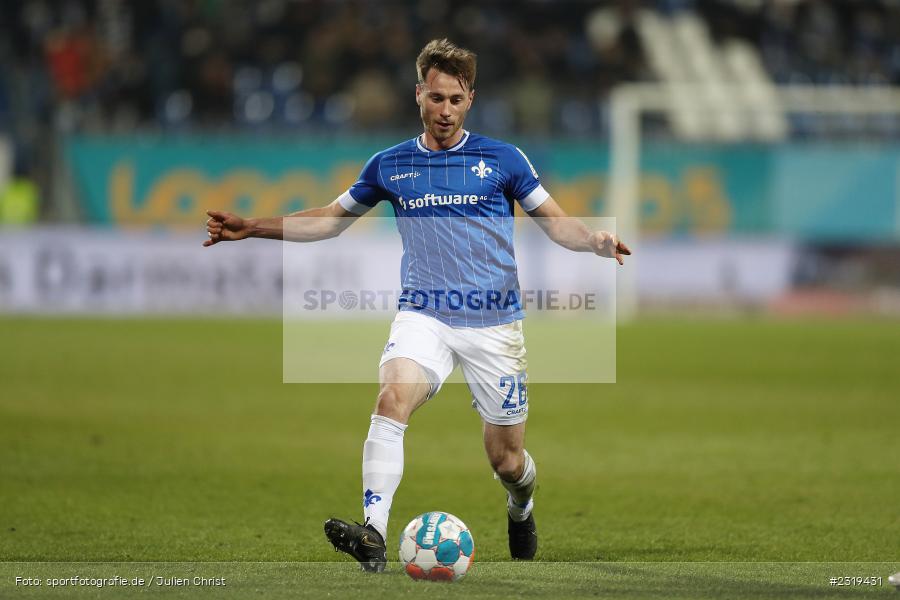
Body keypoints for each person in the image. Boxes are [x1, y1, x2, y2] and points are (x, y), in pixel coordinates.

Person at [203, 38, 630, 572]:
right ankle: (374, 534)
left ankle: (521, 506)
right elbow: (329, 220)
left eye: (455, 99)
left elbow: (556, 222)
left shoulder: (502, 159)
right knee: (390, 399)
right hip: (423, 313)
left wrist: (593, 240)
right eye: (435, 98)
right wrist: (255, 227)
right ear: (418, 96)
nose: (444, 110)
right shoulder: (391, 164)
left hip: (494, 325)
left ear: (470, 98)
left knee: (507, 460)